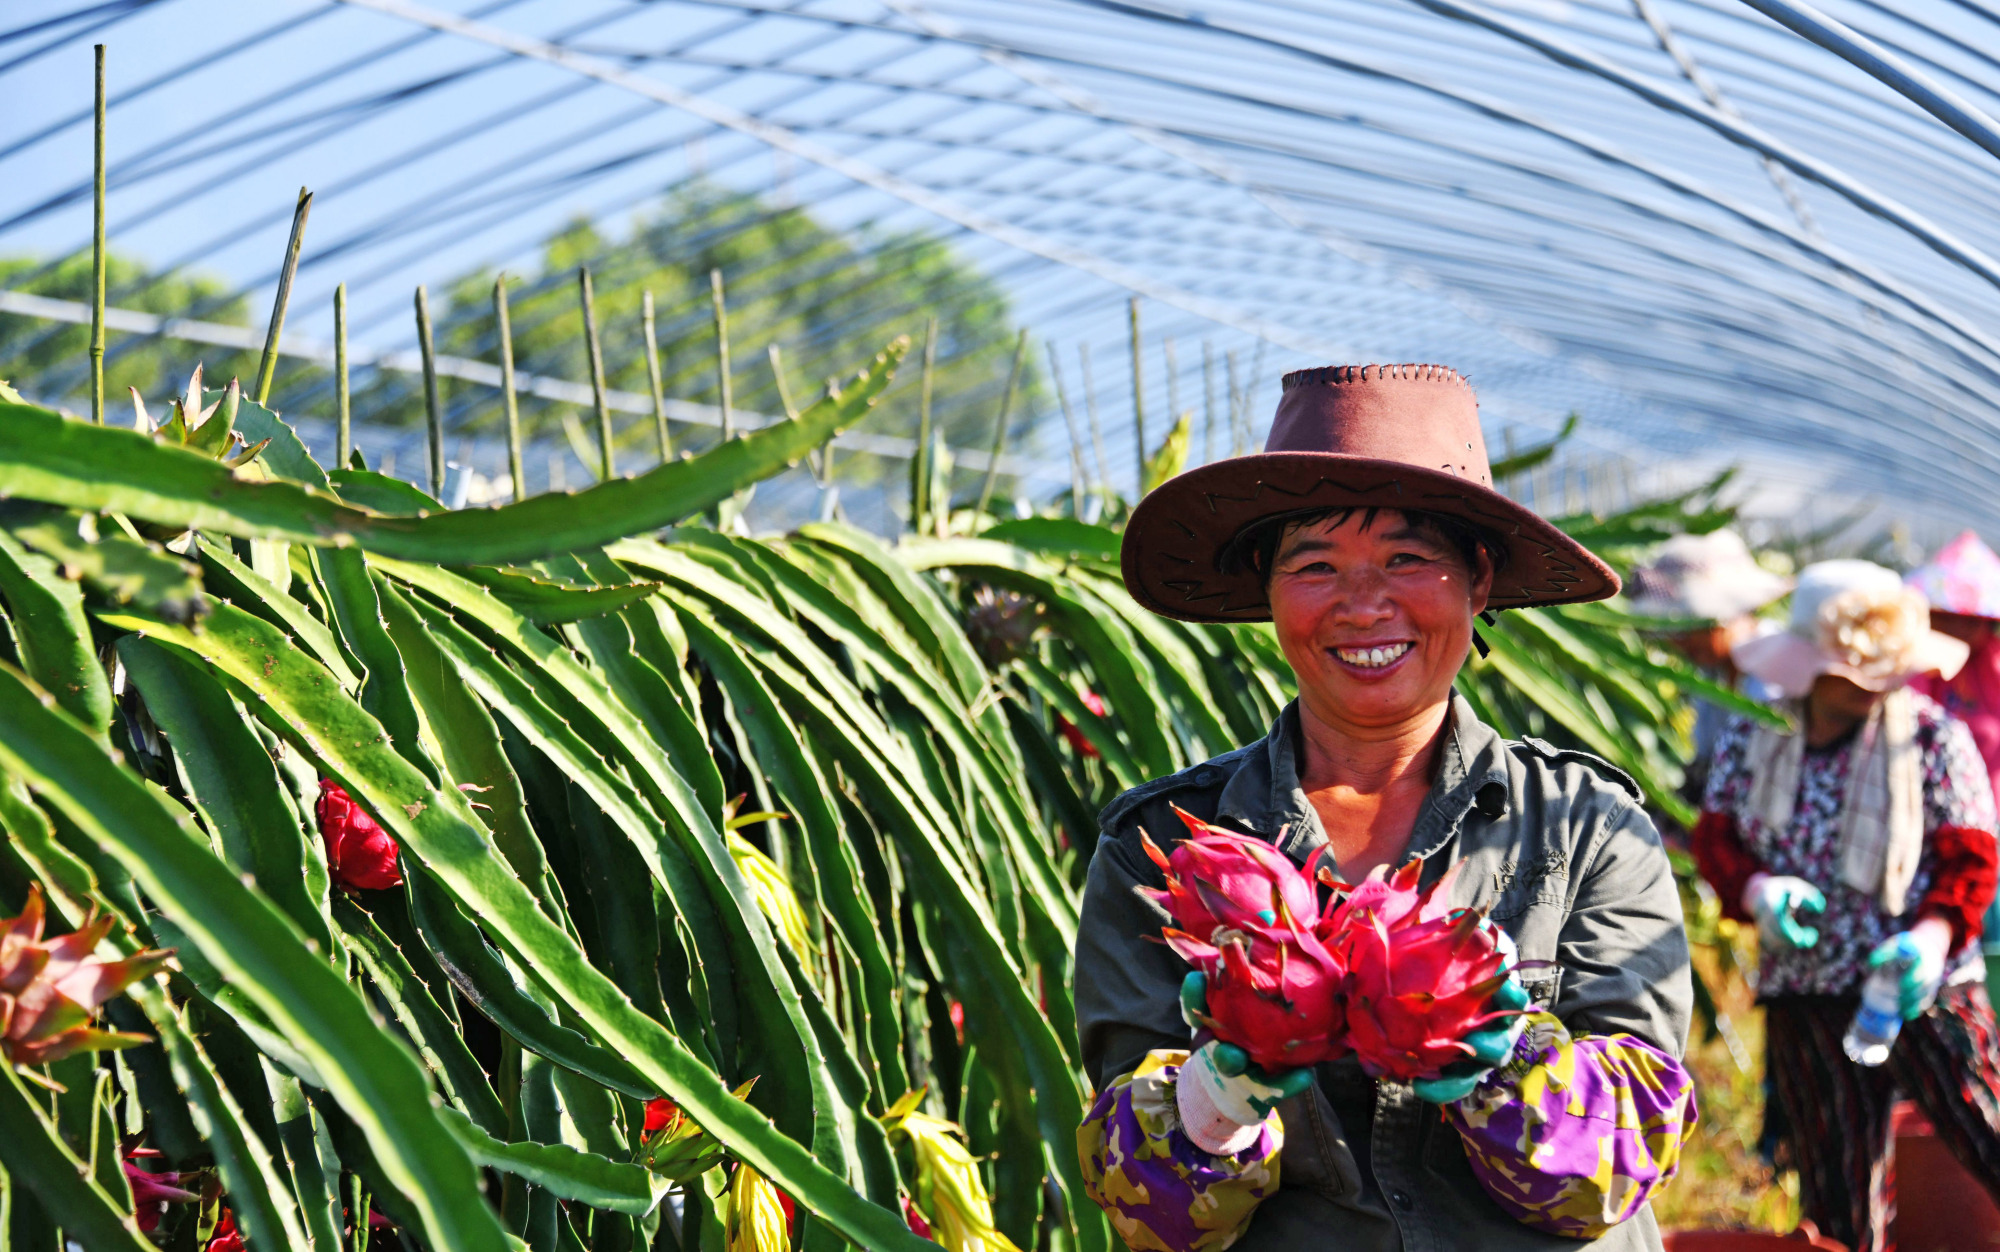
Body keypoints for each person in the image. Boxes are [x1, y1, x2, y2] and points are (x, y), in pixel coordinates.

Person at [1075, 364, 1697, 1252]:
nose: (1364, 605)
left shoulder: (1587, 828)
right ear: (1270, 594)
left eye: (1408, 559)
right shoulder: (1164, 853)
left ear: (1478, 580)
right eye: (1315, 565)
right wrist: (1216, 1097)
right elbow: (1151, 1212)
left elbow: (1624, 1160)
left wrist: (1488, 1045)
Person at [1691, 559, 2000, 1252]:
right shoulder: (1755, 738)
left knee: (1987, 1126)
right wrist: (1758, 891)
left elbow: (1970, 856)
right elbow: (1720, 839)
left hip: (1925, 987)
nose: (1869, 690)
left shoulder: (1928, 738)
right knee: (1839, 1186)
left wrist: (1931, 935)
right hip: (1809, 989)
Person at [1908, 531, 2000, 981]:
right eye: (1949, 616)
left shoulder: (1995, 672)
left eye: (1974, 619)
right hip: (1928, 831)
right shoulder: (1920, 672)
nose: (1963, 627)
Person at [1626, 528, 1791, 771]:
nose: (1677, 644)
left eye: (1684, 629)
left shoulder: (1782, 670)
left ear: (1725, 615)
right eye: (1668, 633)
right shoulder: (1712, 679)